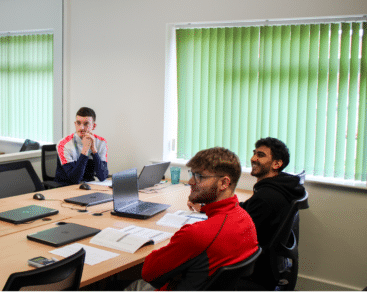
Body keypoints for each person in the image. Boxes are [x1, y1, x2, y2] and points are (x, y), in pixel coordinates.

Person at [128, 147, 258, 291]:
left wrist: (176, 244)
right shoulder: (245, 219)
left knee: (131, 285)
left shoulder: (196, 234)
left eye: (199, 176)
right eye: (192, 174)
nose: (190, 181)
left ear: (224, 183)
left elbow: (148, 273)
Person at [239, 137, 306, 290]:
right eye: (254, 153)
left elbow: (239, 234)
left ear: (277, 163)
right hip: (271, 264)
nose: (253, 158)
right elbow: (248, 210)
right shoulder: (279, 186)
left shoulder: (266, 197)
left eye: (260, 155)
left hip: (255, 268)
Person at [54, 107, 108, 186]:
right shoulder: (63, 144)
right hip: (66, 186)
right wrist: (85, 150)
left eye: (86, 124)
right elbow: (75, 179)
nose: (81, 128)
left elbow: (102, 176)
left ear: (93, 126)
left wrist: (94, 150)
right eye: (78, 123)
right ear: (75, 124)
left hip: (88, 185)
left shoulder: (101, 142)